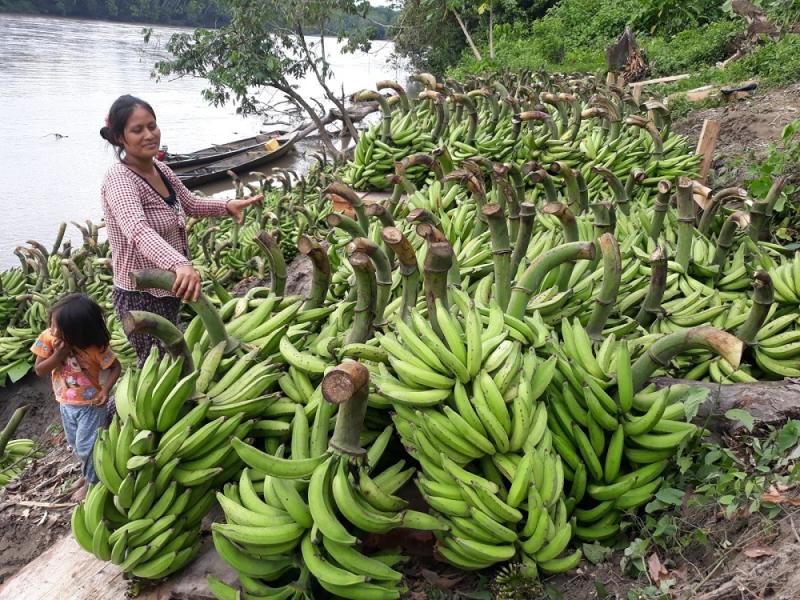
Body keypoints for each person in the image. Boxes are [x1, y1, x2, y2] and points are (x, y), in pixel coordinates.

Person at [99, 94, 263, 366]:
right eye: (137, 130)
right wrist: (179, 263)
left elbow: (190, 203)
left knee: (173, 357)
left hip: (169, 285)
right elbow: (138, 230)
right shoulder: (119, 179)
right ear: (119, 138)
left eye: (152, 126)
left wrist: (227, 206)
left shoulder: (160, 169)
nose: (149, 135)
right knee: (157, 365)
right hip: (141, 294)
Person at [31, 294, 121, 501]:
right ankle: (86, 473)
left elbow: (115, 367)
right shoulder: (48, 338)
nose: (53, 330)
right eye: (52, 324)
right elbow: (40, 370)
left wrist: (105, 390)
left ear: (78, 332)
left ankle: (93, 484)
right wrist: (58, 356)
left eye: (59, 328)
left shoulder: (94, 348)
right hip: (65, 403)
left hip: (91, 406)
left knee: (87, 446)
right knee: (75, 444)